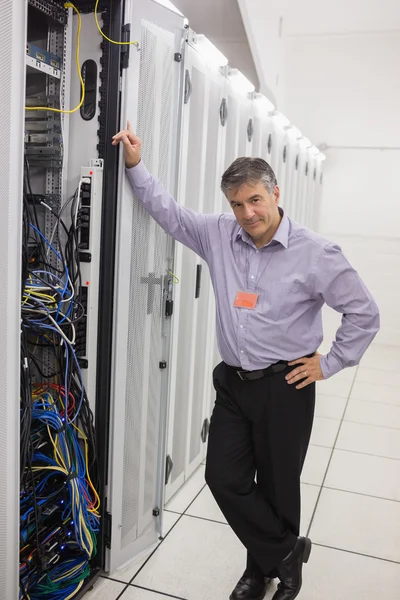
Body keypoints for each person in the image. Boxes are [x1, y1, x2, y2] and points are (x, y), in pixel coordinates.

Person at [112, 123, 380, 600]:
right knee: (224, 477)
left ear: (276, 193)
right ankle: (286, 553)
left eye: (255, 200)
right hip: (234, 383)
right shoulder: (219, 234)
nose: (247, 213)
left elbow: (364, 312)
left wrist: (331, 362)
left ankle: (260, 573)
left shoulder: (316, 253)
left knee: (278, 486)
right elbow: (170, 214)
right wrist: (136, 166)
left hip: (286, 385)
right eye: (236, 204)